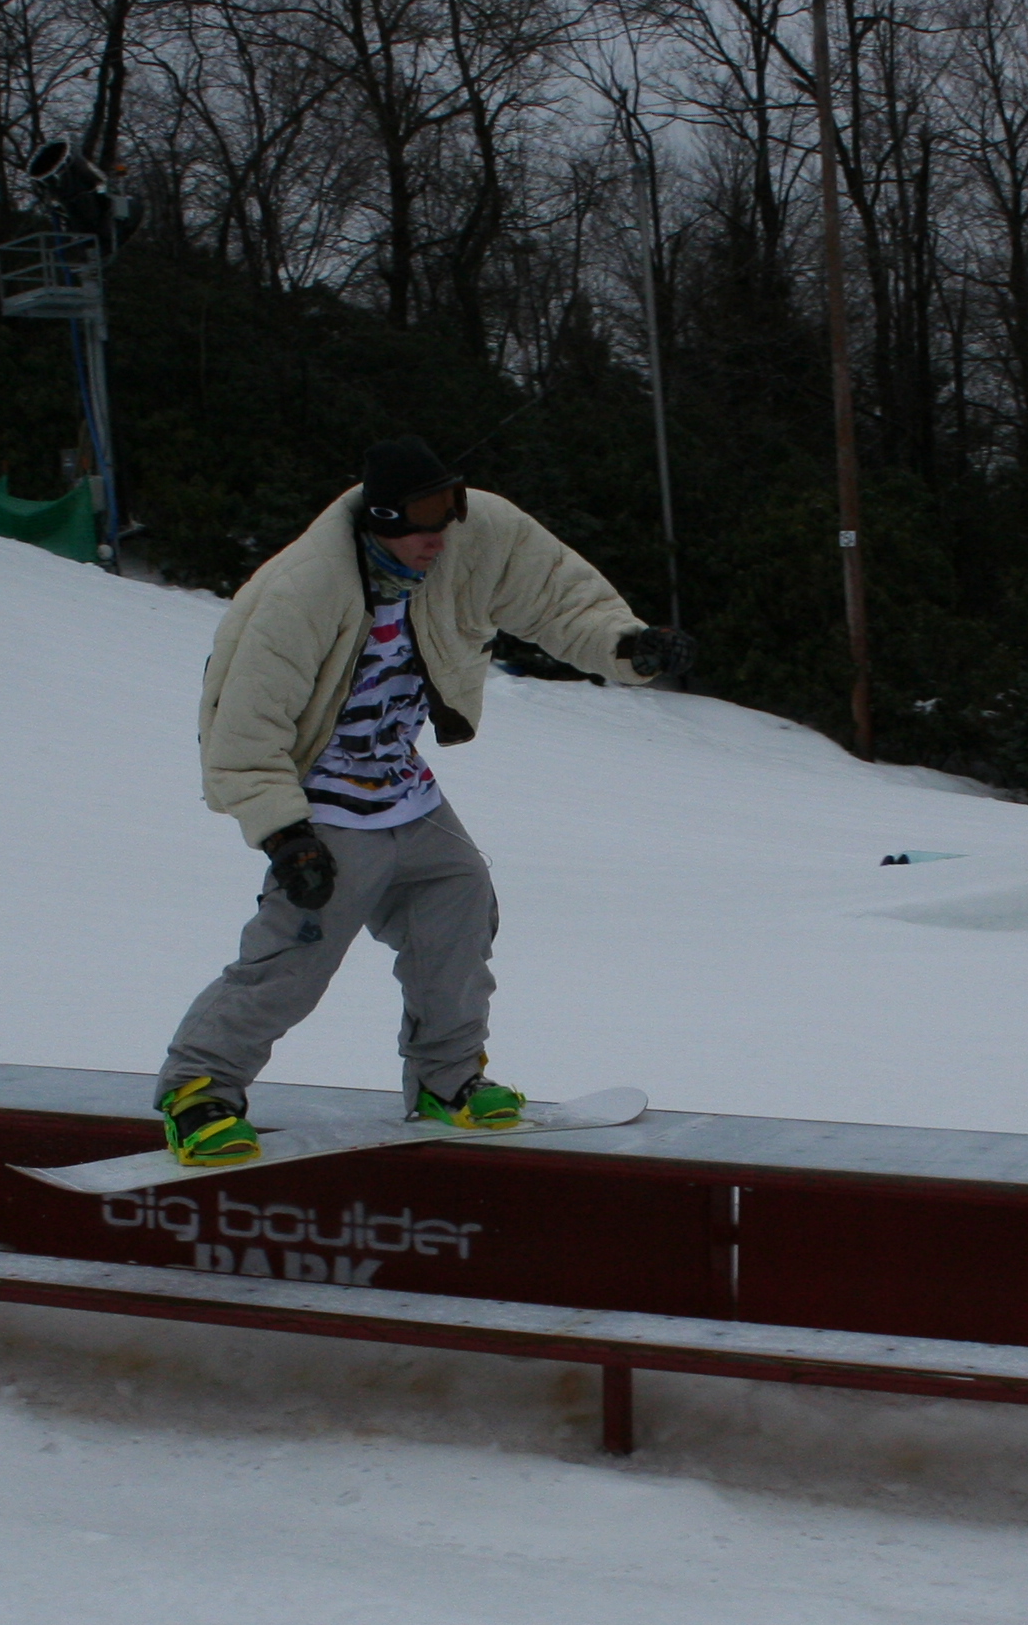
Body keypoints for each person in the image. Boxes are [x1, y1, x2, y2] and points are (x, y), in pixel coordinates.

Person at [151, 436, 693, 1166]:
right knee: (296, 956)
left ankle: (447, 1081)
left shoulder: (475, 538)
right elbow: (240, 726)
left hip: (404, 791)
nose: (437, 540)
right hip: (325, 805)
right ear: (377, 521)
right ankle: (200, 1092)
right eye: (417, 526)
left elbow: (558, 594)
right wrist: (285, 834)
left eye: (447, 516)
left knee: (460, 910)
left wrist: (627, 646)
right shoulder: (300, 591)